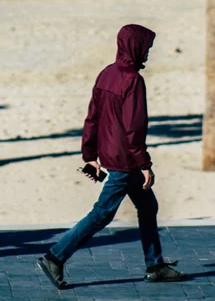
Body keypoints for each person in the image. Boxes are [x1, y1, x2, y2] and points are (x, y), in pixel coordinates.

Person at [37, 24, 186, 289]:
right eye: (147, 48)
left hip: (111, 155)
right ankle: (54, 257)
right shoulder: (133, 81)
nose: (149, 53)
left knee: (148, 206)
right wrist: (145, 165)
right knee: (102, 214)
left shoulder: (106, 74)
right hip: (125, 162)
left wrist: (89, 154)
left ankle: (155, 265)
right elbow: (134, 128)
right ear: (135, 47)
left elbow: (92, 117)